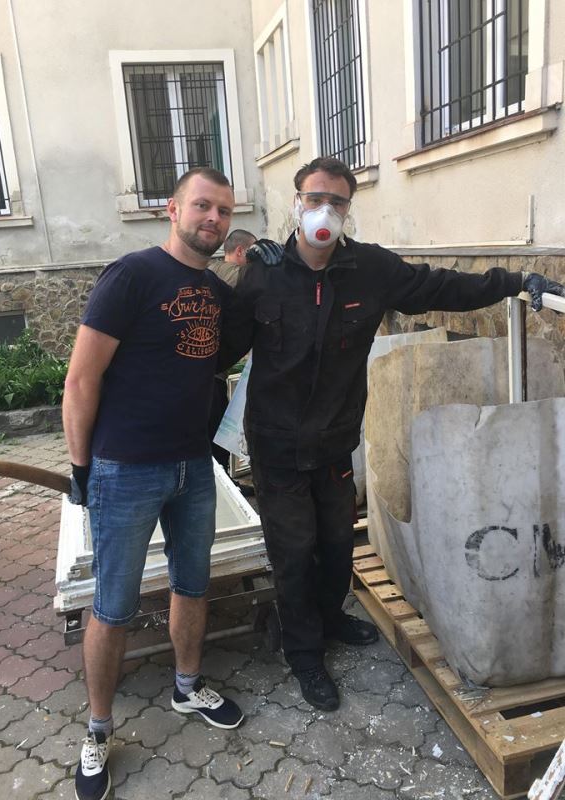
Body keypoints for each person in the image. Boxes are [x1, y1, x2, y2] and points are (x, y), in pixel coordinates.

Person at [222, 156, 565, 713]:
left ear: (348, 209)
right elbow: (221, 342)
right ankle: (304, 654)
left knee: (338, 543)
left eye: (337, 201)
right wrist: (224, 277)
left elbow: (440, 286)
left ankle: (331, 618)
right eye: (315, 199)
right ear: (296, 203)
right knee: (293, 550)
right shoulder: (264, 272)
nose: (324, 210)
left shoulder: (370, 269)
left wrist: (514, 281)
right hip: (277, 445)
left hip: (335, 441)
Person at [63, 167, 247, 800]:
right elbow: (81, 378)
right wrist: (81, 468)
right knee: (113, 606)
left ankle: (188, 686)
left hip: (193, 467)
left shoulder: (216, 293)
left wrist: (263, 274)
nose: (213, 219)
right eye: (202, 206)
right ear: (172, 209)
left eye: (224, 211)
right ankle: (98, 729)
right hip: (125, 469)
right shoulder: (132, 275)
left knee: (192, 584)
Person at [208, 229, 258, 471]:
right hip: (214, 371)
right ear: (240, 251)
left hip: (206, 367)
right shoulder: (236, 274)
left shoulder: (211, 269)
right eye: (253, 252)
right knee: (215, 439)